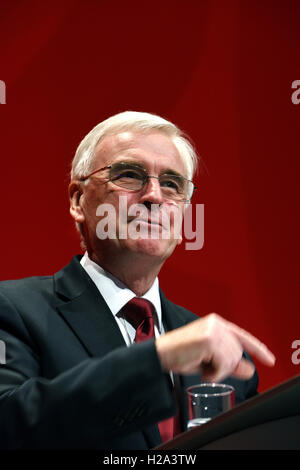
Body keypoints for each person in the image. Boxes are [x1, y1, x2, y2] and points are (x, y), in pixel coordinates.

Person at [0, 111, 275, 450]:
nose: (154, 196)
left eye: (172, 184)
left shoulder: (222, 356)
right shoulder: (14, 311)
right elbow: (10, 424)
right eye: (129, 175)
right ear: (77, 200)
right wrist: (157, 358)